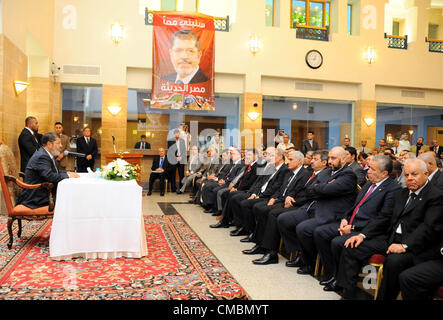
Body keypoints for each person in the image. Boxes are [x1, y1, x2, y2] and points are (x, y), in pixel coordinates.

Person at [336, 158, 443, 300]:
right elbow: (384, 218)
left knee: (393, 262)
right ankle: (348, 294)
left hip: (414, 245)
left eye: (414, 174)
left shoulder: (436, 196)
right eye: (406, 175)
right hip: (390, 238)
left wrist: (405, 245)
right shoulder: (402, 193)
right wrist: (362, 235)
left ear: (426, 173)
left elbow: (428, 228)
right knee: (352, 246)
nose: (409, 178)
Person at [314, 155, 401, 292]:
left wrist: (354, 227)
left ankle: (342, 282)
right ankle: (333, 274)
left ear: (384, 173)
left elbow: (383, 218)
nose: (368, 172)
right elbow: (355, 205)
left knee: (338, 242)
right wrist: (345, 219)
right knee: (321, 232)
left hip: (368, 230)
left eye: (372, 169)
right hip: (352, 223)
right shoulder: (369, 183)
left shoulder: (393, 189)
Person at [295, 147, 358, 275]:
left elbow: (328, 190)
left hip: (336, 217)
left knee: (308, 229)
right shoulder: (326, 172)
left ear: (344, 158)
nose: (330, 161)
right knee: (302, 228)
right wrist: (324, 187)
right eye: (329, 158)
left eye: (333, 158)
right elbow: (309, 190)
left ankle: (330, 271)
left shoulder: (348, 174)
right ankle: (310, 263)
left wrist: (322, 188)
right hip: (321, 213)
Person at [247, 150, 311, 265]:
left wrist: (291, 200)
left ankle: (271, 252)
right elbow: (281, 189)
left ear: (299, 161)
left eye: (291, 160)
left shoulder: (304, 174)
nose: (288, 162)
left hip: (293, 204)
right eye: (288, 159)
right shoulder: (289, 172)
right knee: (261, 209)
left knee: (272, 213)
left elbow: (300, 193)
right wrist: (274, 197)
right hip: (281, 200)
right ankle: (260, 244)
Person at [17, 132, 79, 209]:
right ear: (49, 144)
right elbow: (49, 176)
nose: (61, 146)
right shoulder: (42, 156)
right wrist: (68, 175)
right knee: (73, 199)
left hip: (44, 193)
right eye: (58, 143)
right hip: (36, 198)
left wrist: (67, 173)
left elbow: (55, 172)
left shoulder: (47, 154)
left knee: (73, 196)